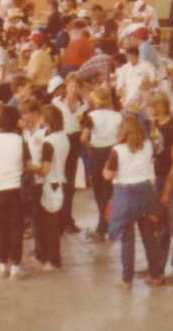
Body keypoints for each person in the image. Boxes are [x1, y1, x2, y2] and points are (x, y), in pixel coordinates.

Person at [102, 115, 165, 290]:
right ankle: (156, 275)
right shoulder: (148, 146)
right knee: (148, 237)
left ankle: (126, 280)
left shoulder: (117, 150)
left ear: (123, 131)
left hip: (125, 195)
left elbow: (108, 175)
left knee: (127, 240)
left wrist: (104, 169)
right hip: (146, 192)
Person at [0, 105, 31, 279]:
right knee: (16, 228)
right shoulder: (20, 140)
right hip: (16, 188)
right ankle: (16, 266)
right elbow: (26, 164)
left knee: (2, 227)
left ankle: (3, 264)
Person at [148, 91, 173, 283]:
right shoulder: (155, 124)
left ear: (162, 106)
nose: (151, 110)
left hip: (169, 178)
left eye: (154, 106)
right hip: (159, 176)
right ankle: (158, 267)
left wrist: (167, 189)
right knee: (161, 227)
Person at [81, 87, 122, 241]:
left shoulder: (91, 116)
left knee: (98, 191)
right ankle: (109, 224)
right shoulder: (118, 116)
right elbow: (121, 136)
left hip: (97, 153)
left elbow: (83, 137)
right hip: (112, 151)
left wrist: (89, 147)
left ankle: (102, 225)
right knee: (109, 190)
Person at [32, 104, 68, 272]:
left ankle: (53, 260)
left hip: (49, 182)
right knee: (54, 224)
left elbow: (45, 169)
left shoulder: (48, 143)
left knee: (48, 226)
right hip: (60, 180)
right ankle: (53, 258)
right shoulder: (64, 137)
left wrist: (30, 167)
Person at [51, 74, 87, 234]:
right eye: (70, 86)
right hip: (62, 139)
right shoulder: (57, 103)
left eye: (76, 86)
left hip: (76, 140)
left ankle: (67, 219)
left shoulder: (84, 104)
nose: (72, 90)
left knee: (70, 181)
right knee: (60, 178)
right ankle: (58, 219)